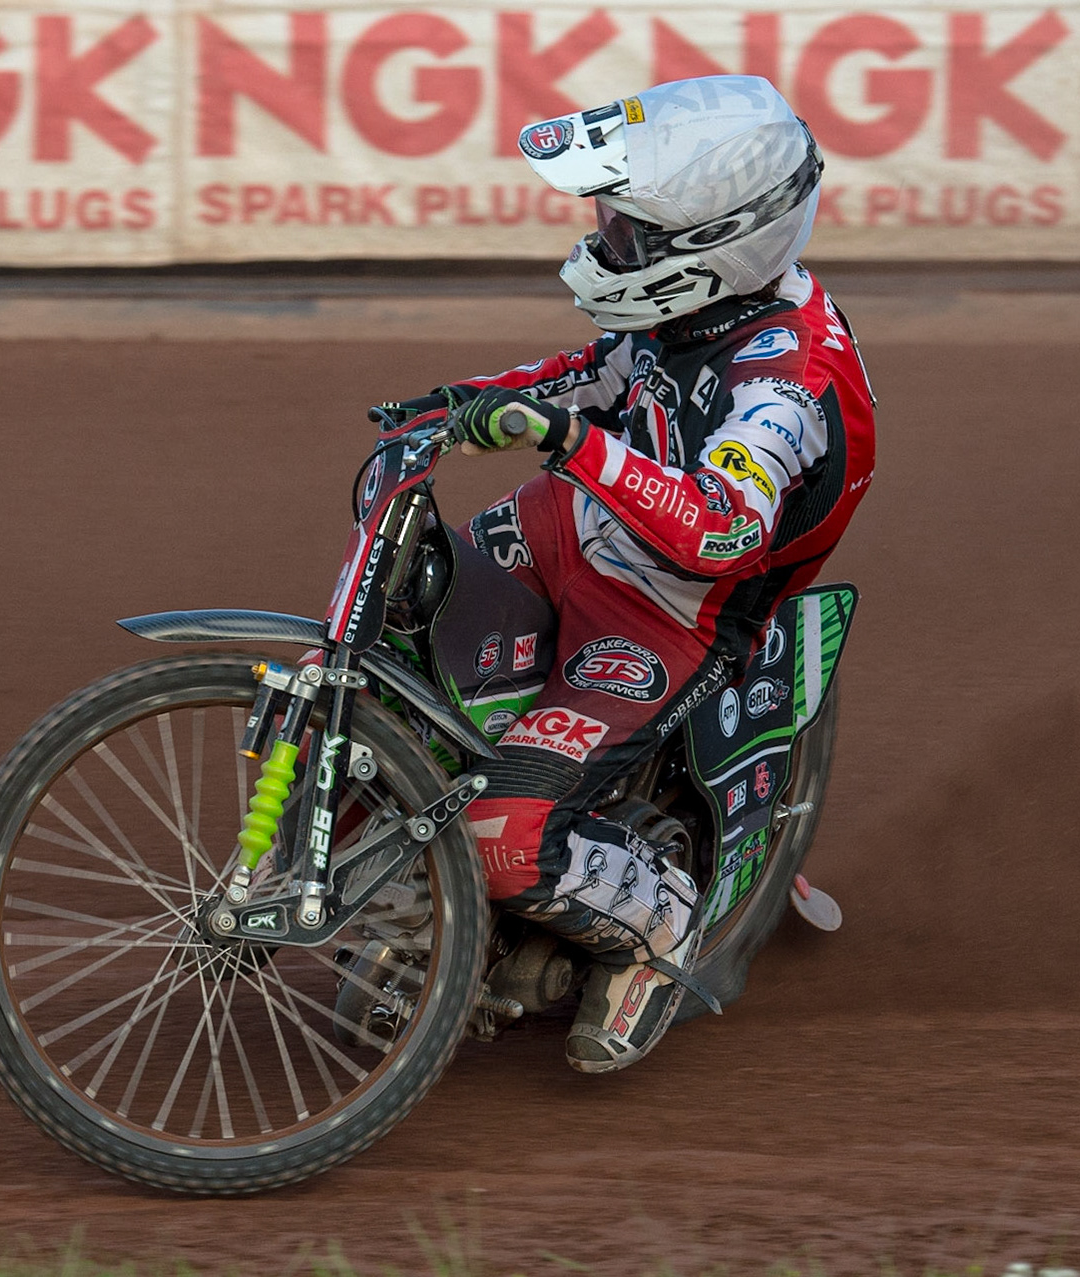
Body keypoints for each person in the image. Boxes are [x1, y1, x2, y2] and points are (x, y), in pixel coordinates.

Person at [377, 75, 877, 1073]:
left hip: (669, 614)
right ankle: (395, 882)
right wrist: (460, 403)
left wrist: (568, 442)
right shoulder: (696, 308)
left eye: (627, 228)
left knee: (500, 834)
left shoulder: (785, 385)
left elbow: (724, 530)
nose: (604, 240)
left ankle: (661, 930)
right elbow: (600, 373)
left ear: (713, 242)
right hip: (579, 528)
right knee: (398, 634)